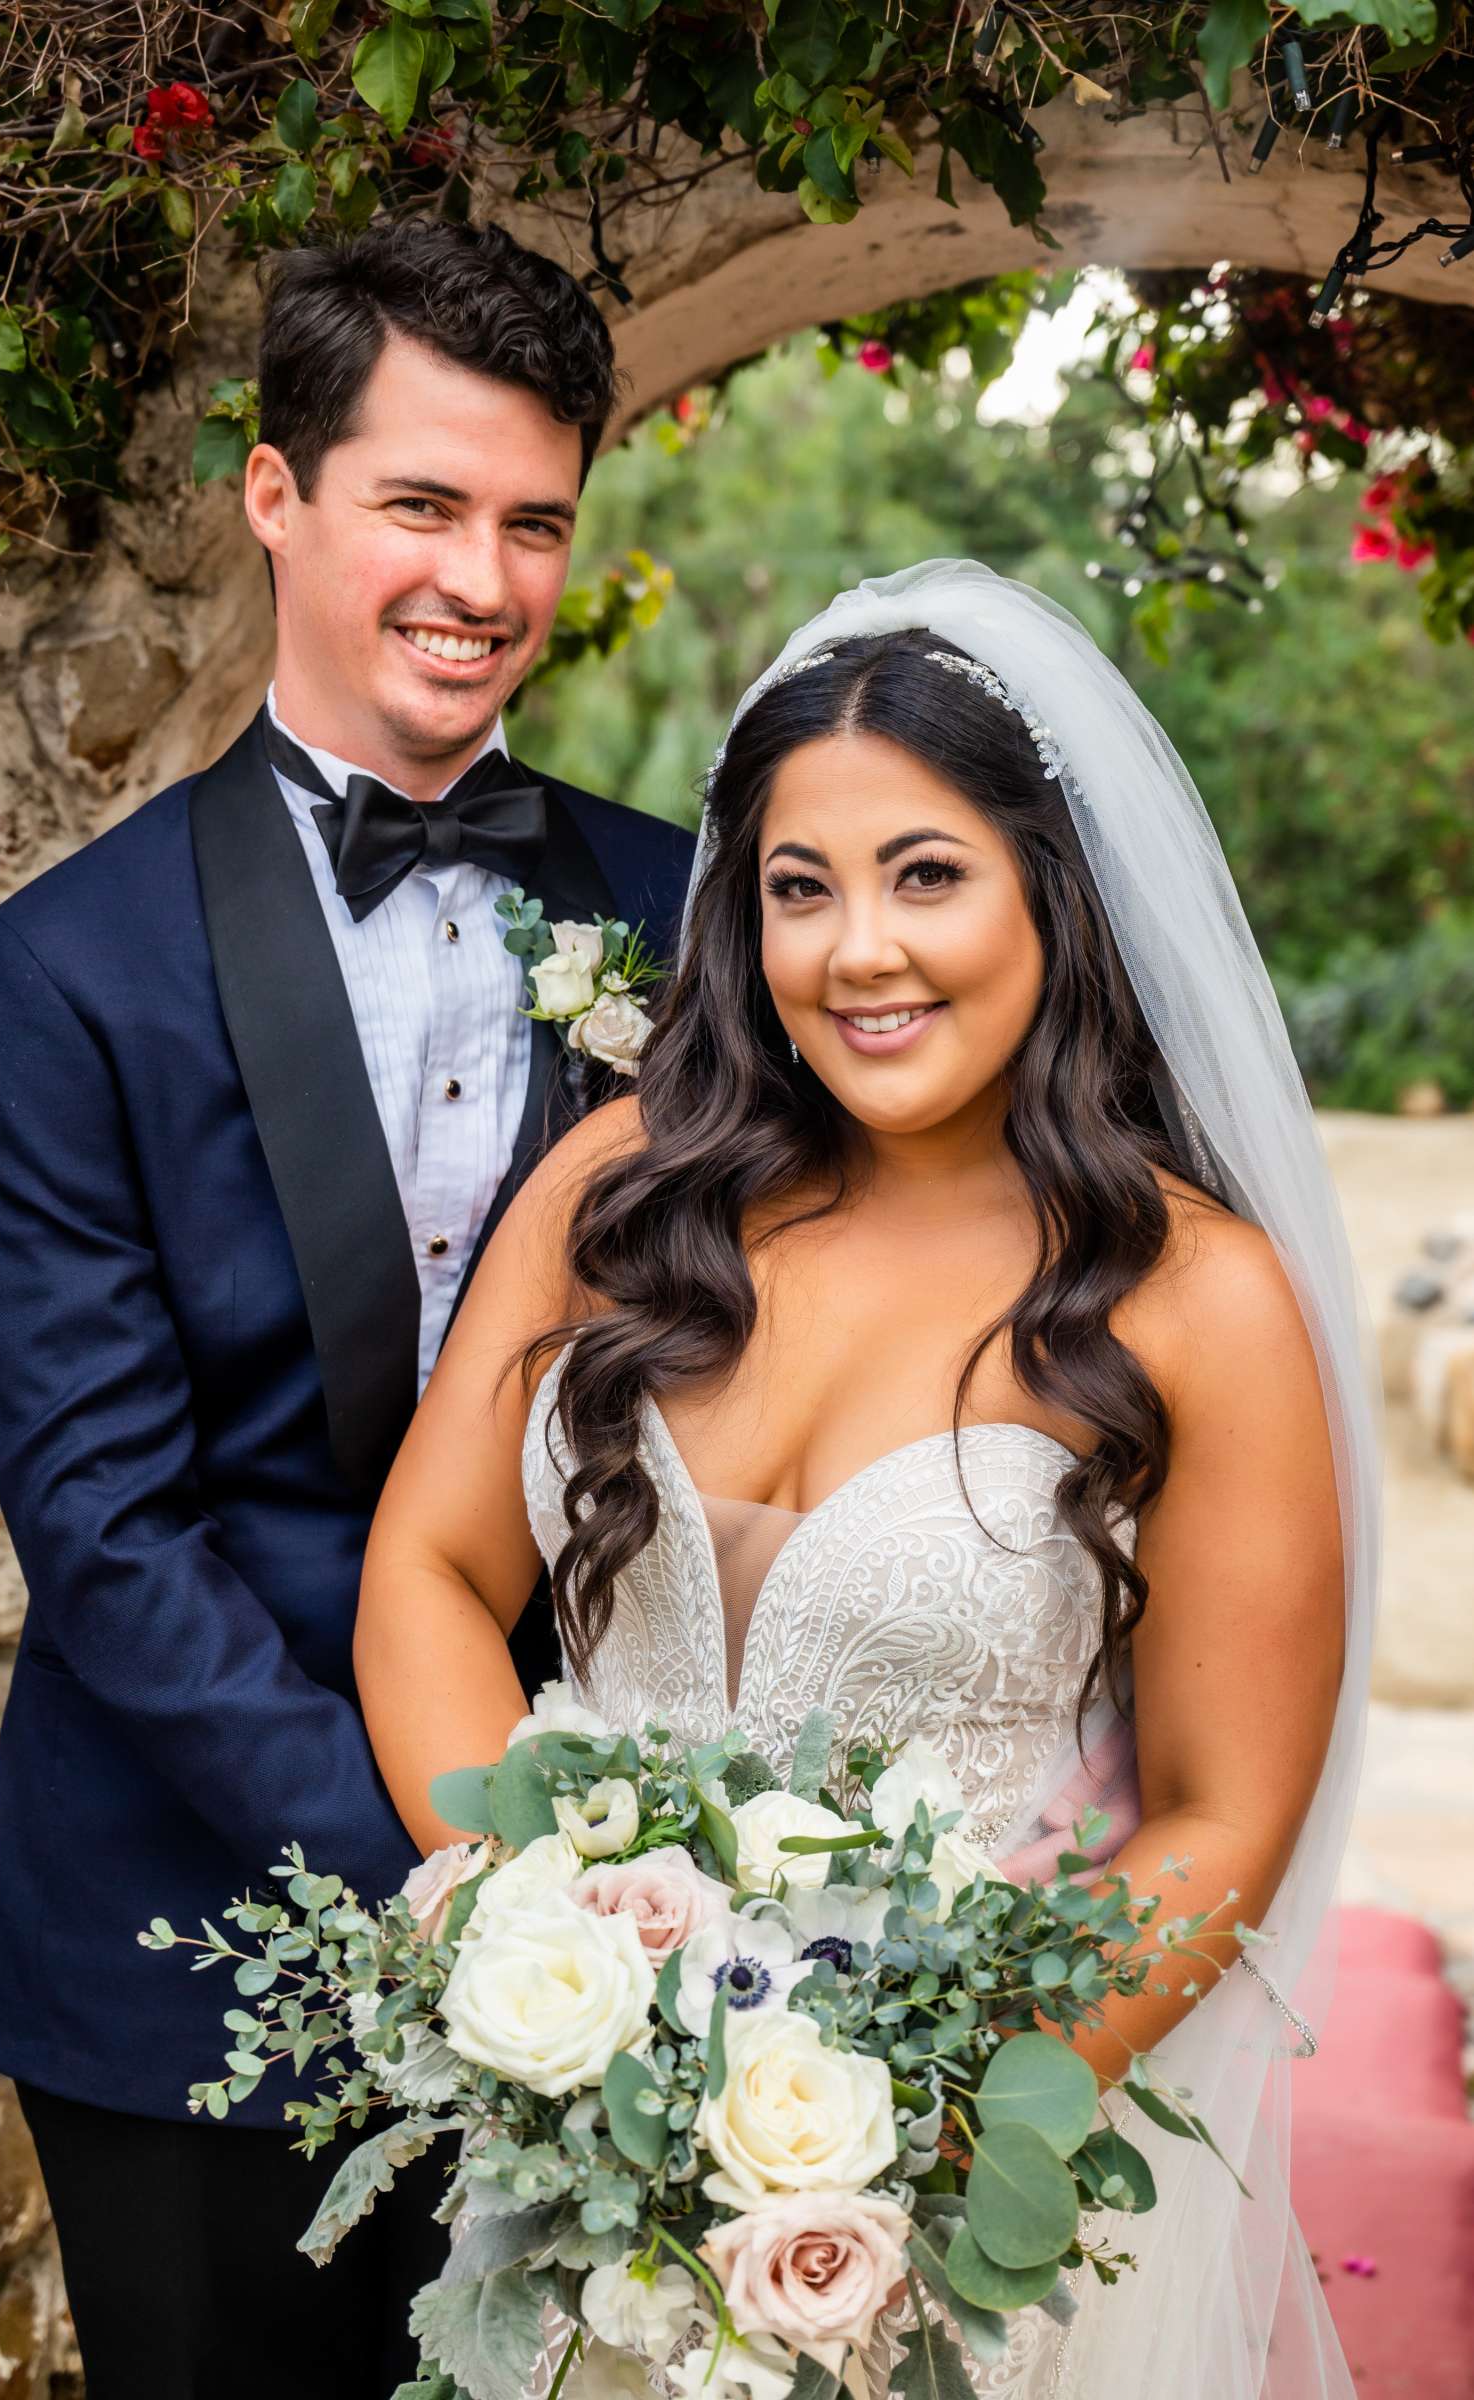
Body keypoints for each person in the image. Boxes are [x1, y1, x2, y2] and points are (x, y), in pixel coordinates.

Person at [354, 561, 1379, 2398]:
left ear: (1048, 895)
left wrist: (904, 2130)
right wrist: (551, 1971)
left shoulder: (1192, 1298)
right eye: (797, 889)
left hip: (948, 2213)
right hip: (586, 2181)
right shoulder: (618, 1189)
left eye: (926, 876)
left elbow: (1224, 1815)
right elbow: (430, 1572)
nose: (858, 953)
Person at [0, 217, 693, 2399]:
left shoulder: (696, 912)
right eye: (423, 505)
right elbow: (103, 1533)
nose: (485, 576)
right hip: (195, 1963)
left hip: (645, 1949)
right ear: (276, 498)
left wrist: (641, 1893)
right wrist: (476, 1870)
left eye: (535, 521)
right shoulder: (60, 972)